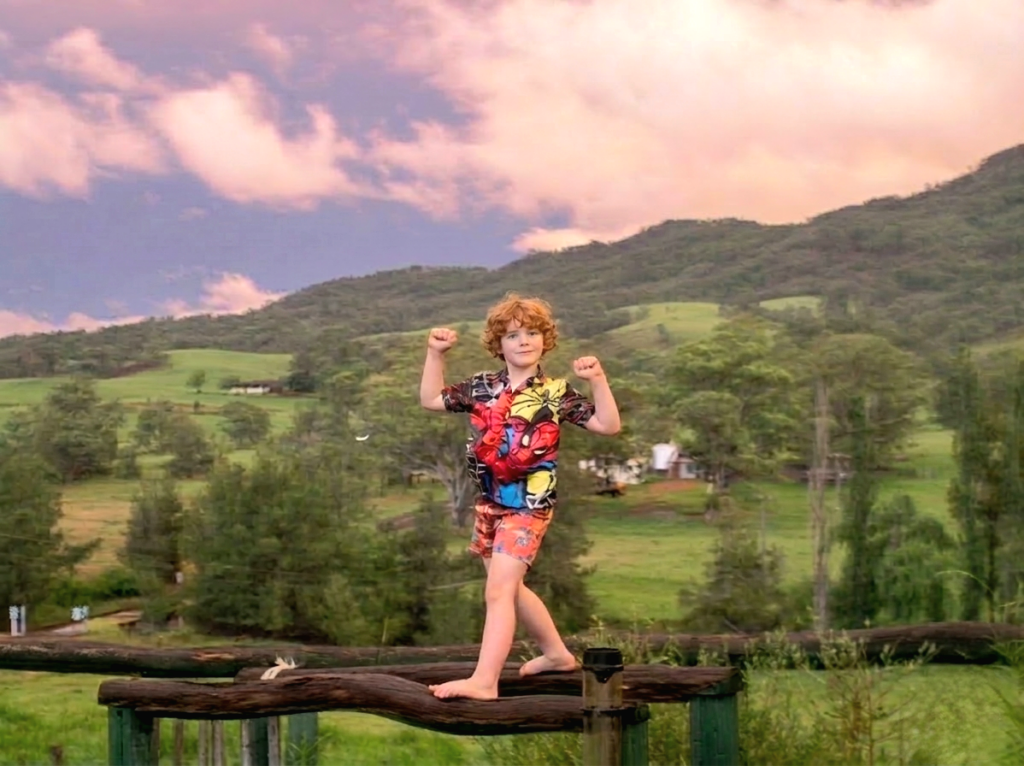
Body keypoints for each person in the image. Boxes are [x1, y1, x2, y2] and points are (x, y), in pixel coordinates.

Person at [419, 293, 621, 700]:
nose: (524, 341)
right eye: (513, 335)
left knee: (497, 591)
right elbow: (431, 399)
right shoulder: (482, 387)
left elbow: (607, 425)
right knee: (511, 588)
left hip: (529, 505)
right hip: (489, 502)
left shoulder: (555, 391)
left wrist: (598, 379)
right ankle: (557, 654)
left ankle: (484, 681)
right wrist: (435, 353)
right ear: (499, 344)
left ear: (545, 339)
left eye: (532, 333)